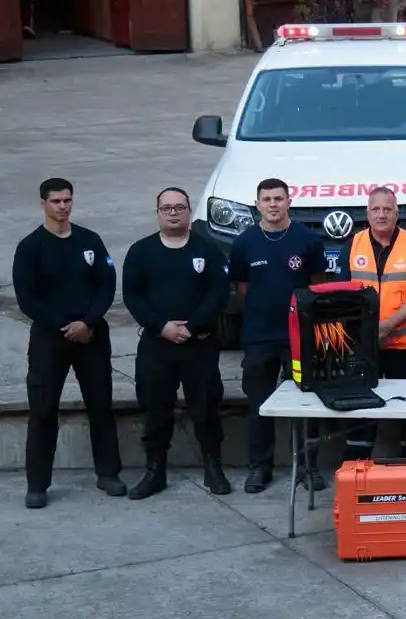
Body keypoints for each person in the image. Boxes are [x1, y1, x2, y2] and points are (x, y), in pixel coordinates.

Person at [12, 178, 124, 509]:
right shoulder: (30, 248)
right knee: (43, 409)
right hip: (50, 338)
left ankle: (108, 473)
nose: (63, 206)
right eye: (56, 201)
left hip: (90, 336)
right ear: (43, 204)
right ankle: (37, 484)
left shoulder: (90, 241)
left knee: (101, 405)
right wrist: (64, 325)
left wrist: (87, 322)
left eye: (67, 200)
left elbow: (106, 284)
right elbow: (27, 299)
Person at [121, 187, 232, 499]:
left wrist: (193, 326)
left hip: (199, 345)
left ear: (188, 211)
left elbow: (219, 293)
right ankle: (155, 472)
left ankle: (214, 468)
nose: (173, 212)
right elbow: (133, 296)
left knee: (206, 408)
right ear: (157, 212)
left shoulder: (207, 249)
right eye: (166, 208)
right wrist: (162, 327)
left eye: (179, 207)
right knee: (156, 410)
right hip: (157, 346)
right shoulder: (141, 252)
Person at [228, 178, 327, 494]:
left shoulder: (307, 240)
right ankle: (261, 466)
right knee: (259, 404)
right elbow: (242, 288)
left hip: (299, 337)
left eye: (278, 198)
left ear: (289, 202)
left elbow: (316, 286)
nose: (273, 204)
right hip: (259, 337)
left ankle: (309, 468)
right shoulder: (244, 243)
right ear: (257, 204)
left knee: (306, 402)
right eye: (266, 199)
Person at [335, 187, 406, 463]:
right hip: (361, 347)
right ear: (367, 213)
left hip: (402, 346)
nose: (381, 214)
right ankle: (354, 470)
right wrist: (367, 331)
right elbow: (342, 296)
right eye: (376, 209)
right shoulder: (352, 245)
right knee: (360, 411)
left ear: (397, 213)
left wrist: (386, 326)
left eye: (387, 209)